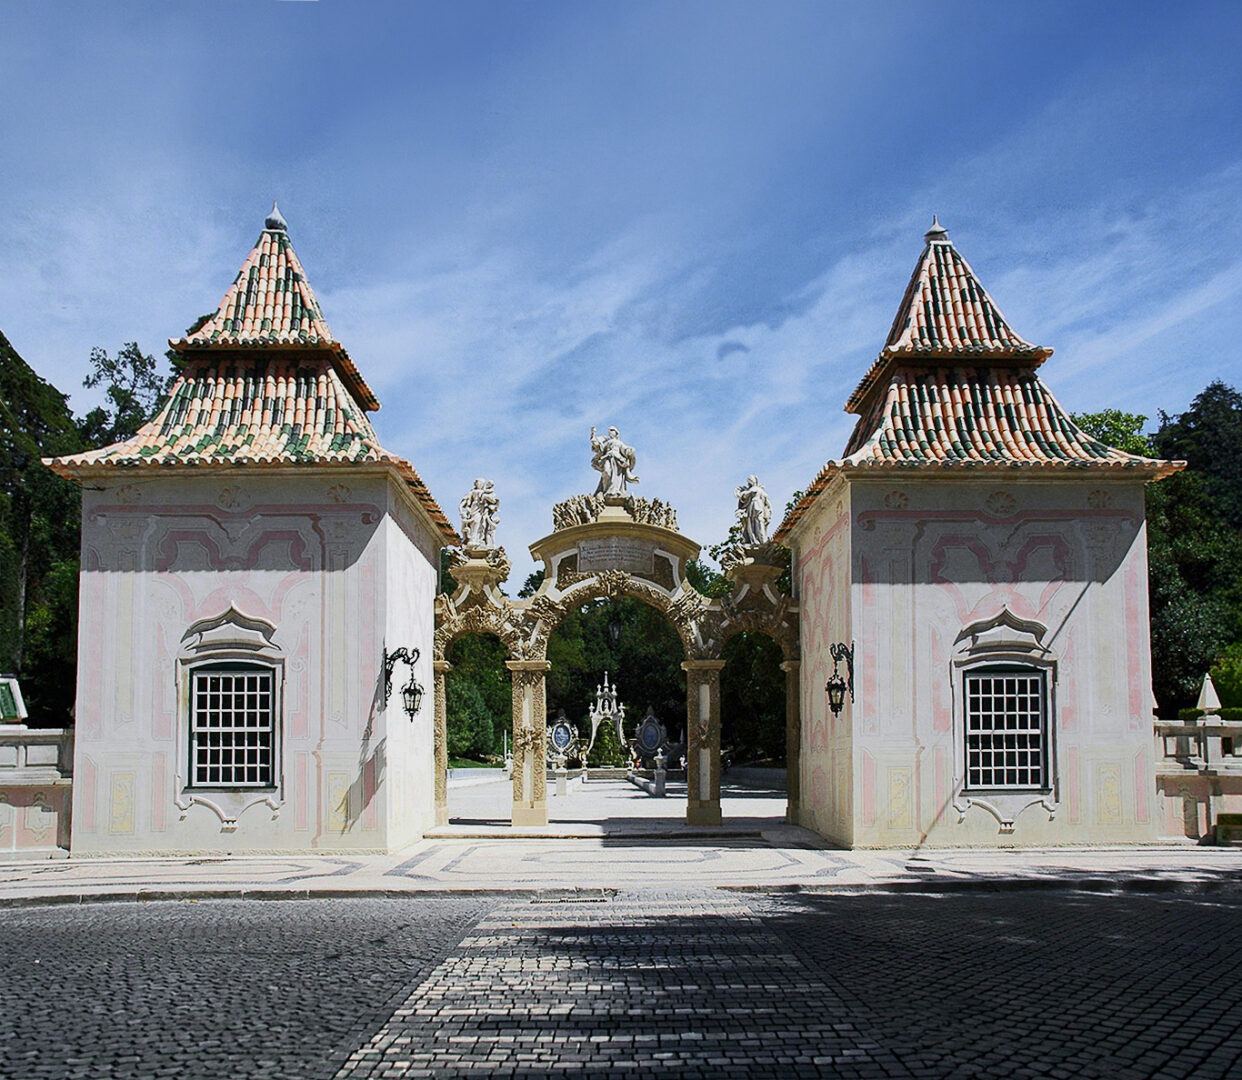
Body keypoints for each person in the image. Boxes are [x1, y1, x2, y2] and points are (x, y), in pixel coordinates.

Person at [589, 426, 639, 496]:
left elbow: (624, 449)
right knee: (606, 472)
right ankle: (606, 490)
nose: (610, 432)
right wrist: (593, 434)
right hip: (607, 458)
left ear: (616, 433)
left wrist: (629, 451)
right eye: (609, 431)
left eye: (612, 430)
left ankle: (614, 491)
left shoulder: (619, 442)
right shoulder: (608, 442)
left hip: (617, 460)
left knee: (616, 476)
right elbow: (600, 447)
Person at [459, 478, 499, 548]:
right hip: (474, 509)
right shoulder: (472, 492)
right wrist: (461, 509)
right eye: (477, 483)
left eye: (480, 483)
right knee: (474, 522)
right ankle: (473, 539)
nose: (478, 484)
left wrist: (487, 498)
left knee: (481, 524)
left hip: (482, 510)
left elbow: (493, 500)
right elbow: (464, 501)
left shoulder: (485, 492)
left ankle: (478, 539)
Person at [735, 475, 771, 545]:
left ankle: (762, 540)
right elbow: (743, 497)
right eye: (750, 481)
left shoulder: (759, 490)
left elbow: (767, 501)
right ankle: (753, 539)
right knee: (750, 523)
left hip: (758, 507)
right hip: (751, 508)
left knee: (759, 522)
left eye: (752, 480)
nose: (752, 482)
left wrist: (769, 511)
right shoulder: (750, 490)